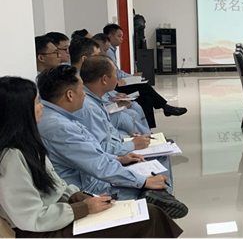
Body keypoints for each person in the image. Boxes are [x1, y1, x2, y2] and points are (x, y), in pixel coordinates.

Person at [0, 76, 184, 239]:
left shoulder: (28, 144)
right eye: (36, 103)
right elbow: (31, 218)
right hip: (44, 230)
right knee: (148, 216)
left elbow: (56, 185)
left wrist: (81, 198)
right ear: (20, 113)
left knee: (149, 213)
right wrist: (84, 208)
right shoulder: (12, 157)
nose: (41, 107)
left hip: (59, 214)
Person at [36, 66, 188, 219]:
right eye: (81, 89)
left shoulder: (58, 117)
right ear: (70, 95)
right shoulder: (60, 127)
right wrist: (143, 182)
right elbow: (98, 165)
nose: (84, 94)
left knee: (155, 183)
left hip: (91, 176)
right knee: (154, 197)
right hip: (87, 189)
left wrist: (118, 159)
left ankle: (162, 200)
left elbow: (91, 151)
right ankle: (159, 207)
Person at [101, 25, 187, 126]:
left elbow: (117, 71)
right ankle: (165, 107)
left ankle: (149, 129)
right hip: (115, 87)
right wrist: (130, 77)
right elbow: (116, 74)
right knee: (144, 87)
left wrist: (131, 76)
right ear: (110, 36)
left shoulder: (111, 50)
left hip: (117, 84)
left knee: (147, 99)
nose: (122, 39)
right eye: (119, 36)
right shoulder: (108, 52)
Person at [70, 38, 151, 136]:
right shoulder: (79, 84)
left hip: (107, 116)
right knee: (127, 116)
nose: (102, 56)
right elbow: (103, 140)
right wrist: (132, 142)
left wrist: (115, 95)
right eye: (97, 55)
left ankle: (148, 135)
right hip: (106, 120)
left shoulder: (89, 82)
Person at [77, 56, 152, 154]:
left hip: (114, 145)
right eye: (115, 74)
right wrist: (132, 144)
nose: (117, 78)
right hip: (109, 155)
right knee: (162, 158)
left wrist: (128, 138)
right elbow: (99, 148)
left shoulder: (95, 98)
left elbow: (109, 132)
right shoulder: (89, 108)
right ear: (104, 79)